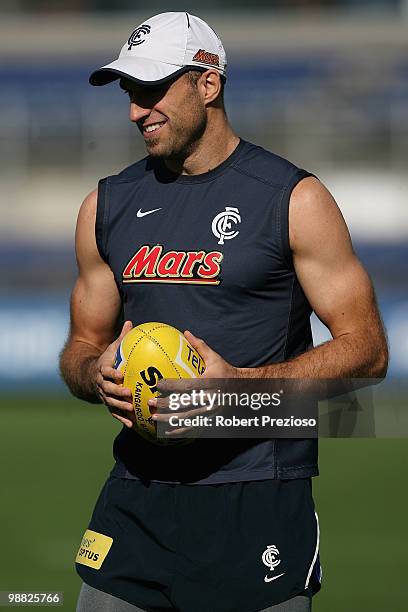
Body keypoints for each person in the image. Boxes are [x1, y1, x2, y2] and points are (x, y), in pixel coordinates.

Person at [60, 11, 388, 612]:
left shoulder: (294, 199)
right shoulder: (104, 205)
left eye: (153, 88)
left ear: (207, 84)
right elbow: (81, 345)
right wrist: (94, 373)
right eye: (131, 93)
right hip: (136, 499)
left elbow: (367, 351)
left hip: (256, 501)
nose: (137, 110)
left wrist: (237, 392)